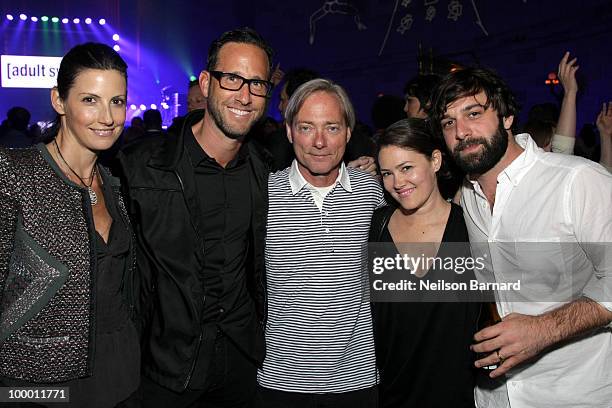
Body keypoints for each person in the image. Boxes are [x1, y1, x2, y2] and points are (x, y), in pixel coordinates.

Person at [430, 66, 612, 407]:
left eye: (473, 113)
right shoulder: (466, 197)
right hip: (492, 396)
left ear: (508, 117)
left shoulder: (576, 180)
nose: (462, 132)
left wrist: (544, 329)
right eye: (448, 122)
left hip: (575, 395)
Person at [119, 27, 272, 407]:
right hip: (165, 370)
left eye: (256, 83)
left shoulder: (268, 172)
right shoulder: (141, 168)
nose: (245, 95)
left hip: (244, 363)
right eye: (233, 78)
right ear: (206, 83)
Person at [0, 42, 139, 407]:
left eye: (117, 101)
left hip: (122, 375)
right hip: (37, 384)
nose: (107, 117)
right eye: (90, 100)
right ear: (59, 101)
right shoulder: (15, 175)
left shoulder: (115, 184)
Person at [257, 78, 384, 407]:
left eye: (331, 127)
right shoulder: (263, 195)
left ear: (348, 132)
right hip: (280, 382)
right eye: (306, 127)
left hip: (359, 380)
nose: (318, 142)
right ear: (289, 132)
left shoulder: (373, 192)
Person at [369, 118, 479, 407]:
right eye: (387, 173)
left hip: (459, 395)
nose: (397, 183)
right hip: (394, 393)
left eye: (407, 168)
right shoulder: (377, 225)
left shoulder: (471, 226)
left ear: (435, 160)